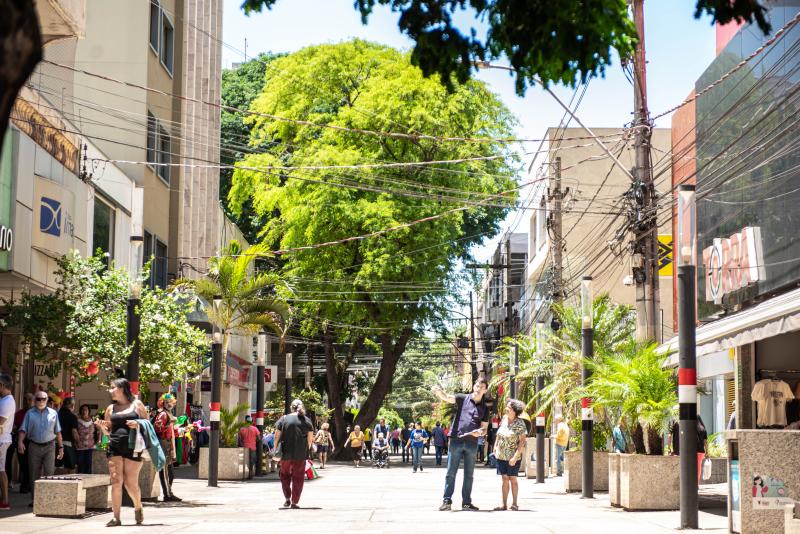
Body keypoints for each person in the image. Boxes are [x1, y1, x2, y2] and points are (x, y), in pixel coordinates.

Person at [94, 378, 148, 527]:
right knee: (116, 480)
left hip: (133, 447)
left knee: (131, 484)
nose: (110, 391)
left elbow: (148, 424)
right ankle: (116, 517)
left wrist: (138, 423)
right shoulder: (110, 408)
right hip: (114, 447)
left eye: (113, 388)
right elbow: (108, 431)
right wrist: (102, 428)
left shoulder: (137, 405)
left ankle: (138, 506)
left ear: (122, 388)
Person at [433, 378, 489, 511]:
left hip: (472, 443)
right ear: (473, 386)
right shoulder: (462, 398)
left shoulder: (485, 408)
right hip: (456, 440)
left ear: (485, 390)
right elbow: (447, 397)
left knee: (469, 475)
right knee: (451, 472)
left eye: (482, 387)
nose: (478, 388)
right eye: (477, 385)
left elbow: (485, 428)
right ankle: (447, 501)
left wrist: (480, 432)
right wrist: (439, 392)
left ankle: (466, 502)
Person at [18, 390, 64, 506]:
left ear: (47, 400)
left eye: (44, 399)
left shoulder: (53, 413)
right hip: (34, 446)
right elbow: (23, 429)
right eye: (38, 399)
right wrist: (20, 442)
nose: (41, 401)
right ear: (35, 400)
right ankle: (35, 500)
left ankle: (48, 499)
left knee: (49, 473)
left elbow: (58, 432)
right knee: (33, 473)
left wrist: (61, 447)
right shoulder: (30, 413)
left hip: (50, 446)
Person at [274, 399, 314, 508]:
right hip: (300, 454)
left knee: (284, 475)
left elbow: (277, 436)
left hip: (285, 453)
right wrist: (307, 449)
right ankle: (294, 501)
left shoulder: (284, 419)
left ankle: (287, 497)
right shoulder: (307, 420)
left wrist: (275, 448)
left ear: (291, 407)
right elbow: (310, 439)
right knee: (298, 477)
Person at [492, 399, 527, 511]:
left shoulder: (520, 423)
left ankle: (515, 503)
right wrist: (495, 446)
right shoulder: (504, 419)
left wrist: (516, 456)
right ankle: (503, 504)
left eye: (509, 407)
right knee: (504, 478)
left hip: (513, 456)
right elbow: (499, 434)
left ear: (515, 410)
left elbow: (522, 441)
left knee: (513, 479)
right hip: (501, 455)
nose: (506, 409)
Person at [153, 394, 181, 501]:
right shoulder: (163, 414)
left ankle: (168, 493)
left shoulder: (168, 414)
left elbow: (172, 431)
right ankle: (167, 494)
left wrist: (180, 430)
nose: (169, 404)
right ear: (162, 403)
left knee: (170, 473)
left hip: (168, 444)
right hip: (164, 444)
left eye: (171, 402)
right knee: (165, 472)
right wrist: (164, 425)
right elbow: (158, 428)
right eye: (166, 402)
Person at [670, 414, 708, 484]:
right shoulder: (703, 428)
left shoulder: (690, 427)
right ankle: (696, 484)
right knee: (698, 468)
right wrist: (707, 452)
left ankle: (689, 484)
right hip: (701, 451)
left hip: (691, 451)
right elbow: (705, 441)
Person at [11, 393, 33, 493]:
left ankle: (29, 485)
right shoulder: (19, 413)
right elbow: (14, 426)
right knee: (23, 465)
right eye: (25, 400)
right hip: (22, 442)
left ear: (33, 401)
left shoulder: (36, 413)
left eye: (29, 400)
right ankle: (24, 485)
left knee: (32, 465)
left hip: (33, 442)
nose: (27, 402)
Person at [0, 373, 15, 510]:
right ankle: (4, 500)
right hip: (3, 439)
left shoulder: (7, 401)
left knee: (1, 470)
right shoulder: (5, 400)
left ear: (2, 385)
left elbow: (0, 422)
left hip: (2, 439)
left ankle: (5, 500)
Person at [57, 397, 79, 473]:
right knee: (70, 467)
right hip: (68, 444)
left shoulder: (56, 414)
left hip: (55, 444)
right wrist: (78, 442)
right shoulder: (72, 417)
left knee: (57, 467)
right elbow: (74, 432)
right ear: (72, 405)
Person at [238, 414, 261, 480]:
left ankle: (244, 474)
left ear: (245, 421)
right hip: (253, 447)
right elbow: (259, 438)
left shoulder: (242, 429)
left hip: (245, 447)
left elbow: (240, 439)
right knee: (252, 461)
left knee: (245, 461)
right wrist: (254, 440)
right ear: (251, 421)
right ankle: (250, 473)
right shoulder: (255, 429)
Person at [75, 404, 97, 474]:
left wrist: (98, 440)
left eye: (86, 410)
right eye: (82, 410)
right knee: (80, 463)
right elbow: (74, 432)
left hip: (90, 446)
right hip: (80, 446)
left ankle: (88, 481)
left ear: (88, 411)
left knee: (88, 463)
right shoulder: (77, 421)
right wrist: (78, 441)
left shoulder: (93, 420)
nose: (84, 411)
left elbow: (99, 430)